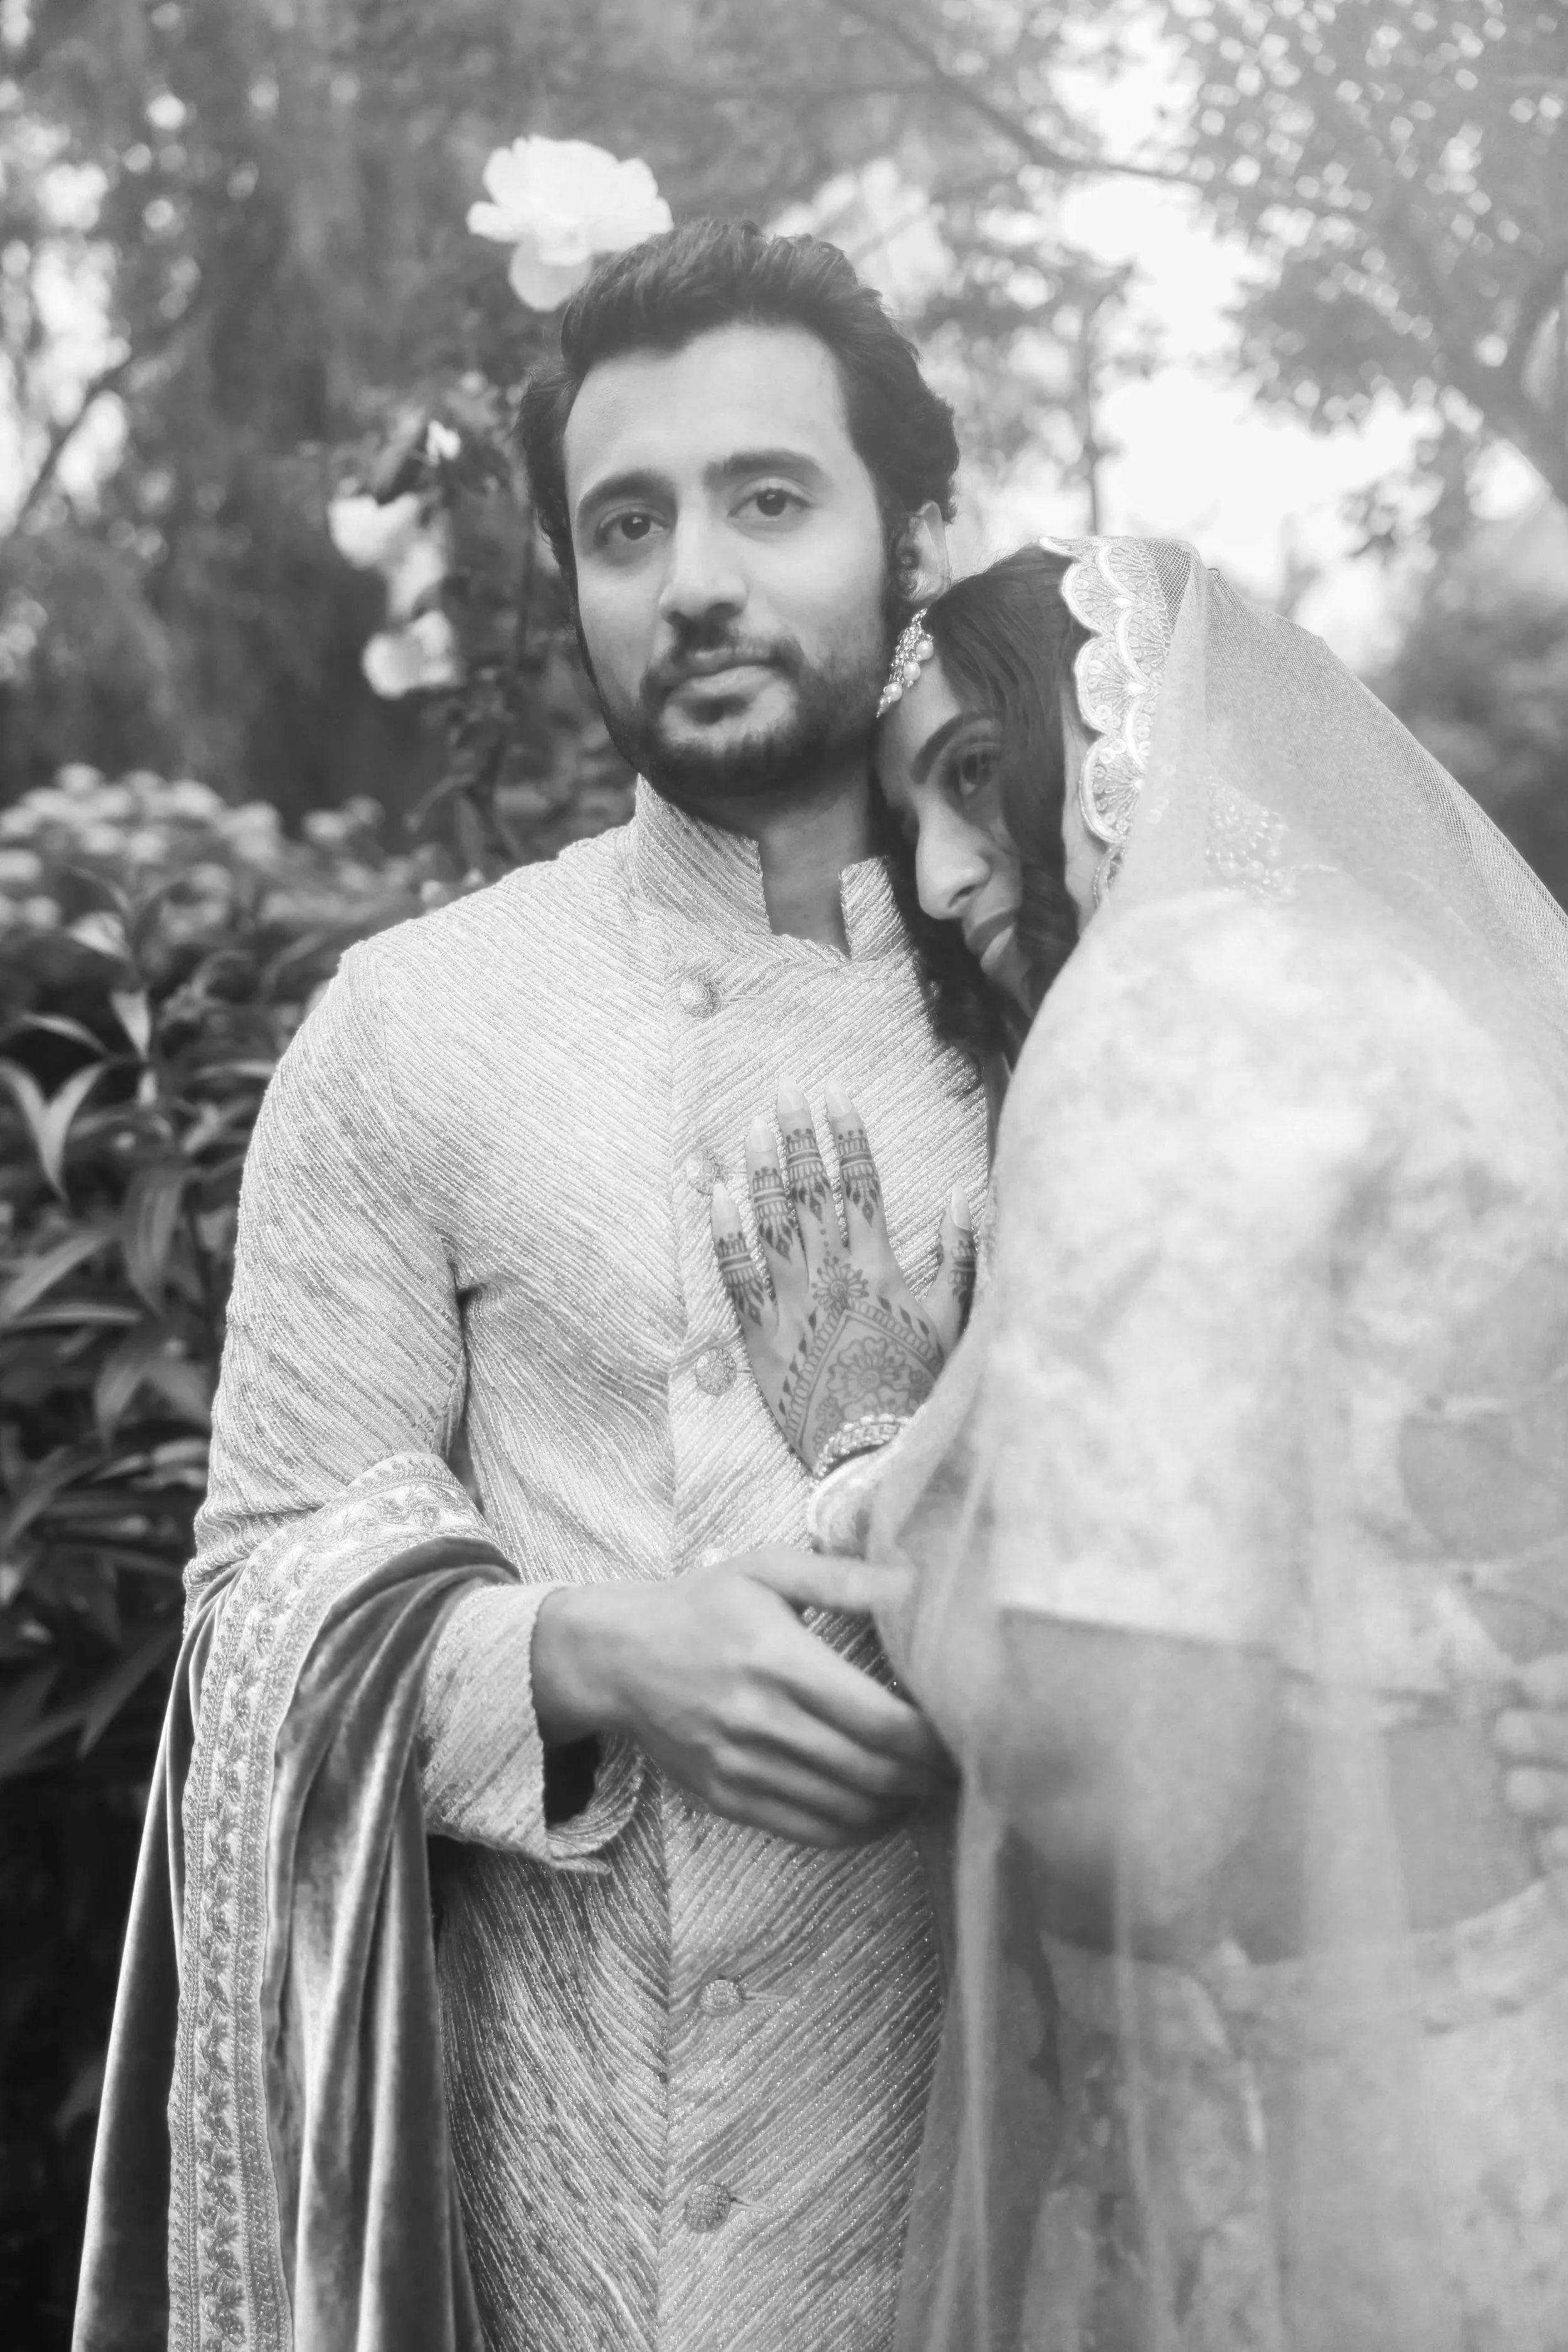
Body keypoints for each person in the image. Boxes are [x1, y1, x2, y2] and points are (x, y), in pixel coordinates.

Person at [73, 222, 991, 2352]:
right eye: (627, 524)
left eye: (769, 497)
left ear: (912, 531)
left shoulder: (1063, 1012)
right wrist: (584, 1652)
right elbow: (254, 1600)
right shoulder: (418, 1024)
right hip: (546, 2222)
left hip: (988, 2200)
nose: (694, 580)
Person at [714, 534, 1568, 2349]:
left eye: (972, 776)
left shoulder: (1168, 1017)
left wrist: (876, 1473)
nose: (939, 879)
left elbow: (1137, 1790)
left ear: (1114, 725)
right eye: (908, 826)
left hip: (1320, 2162)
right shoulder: (1360, 994)